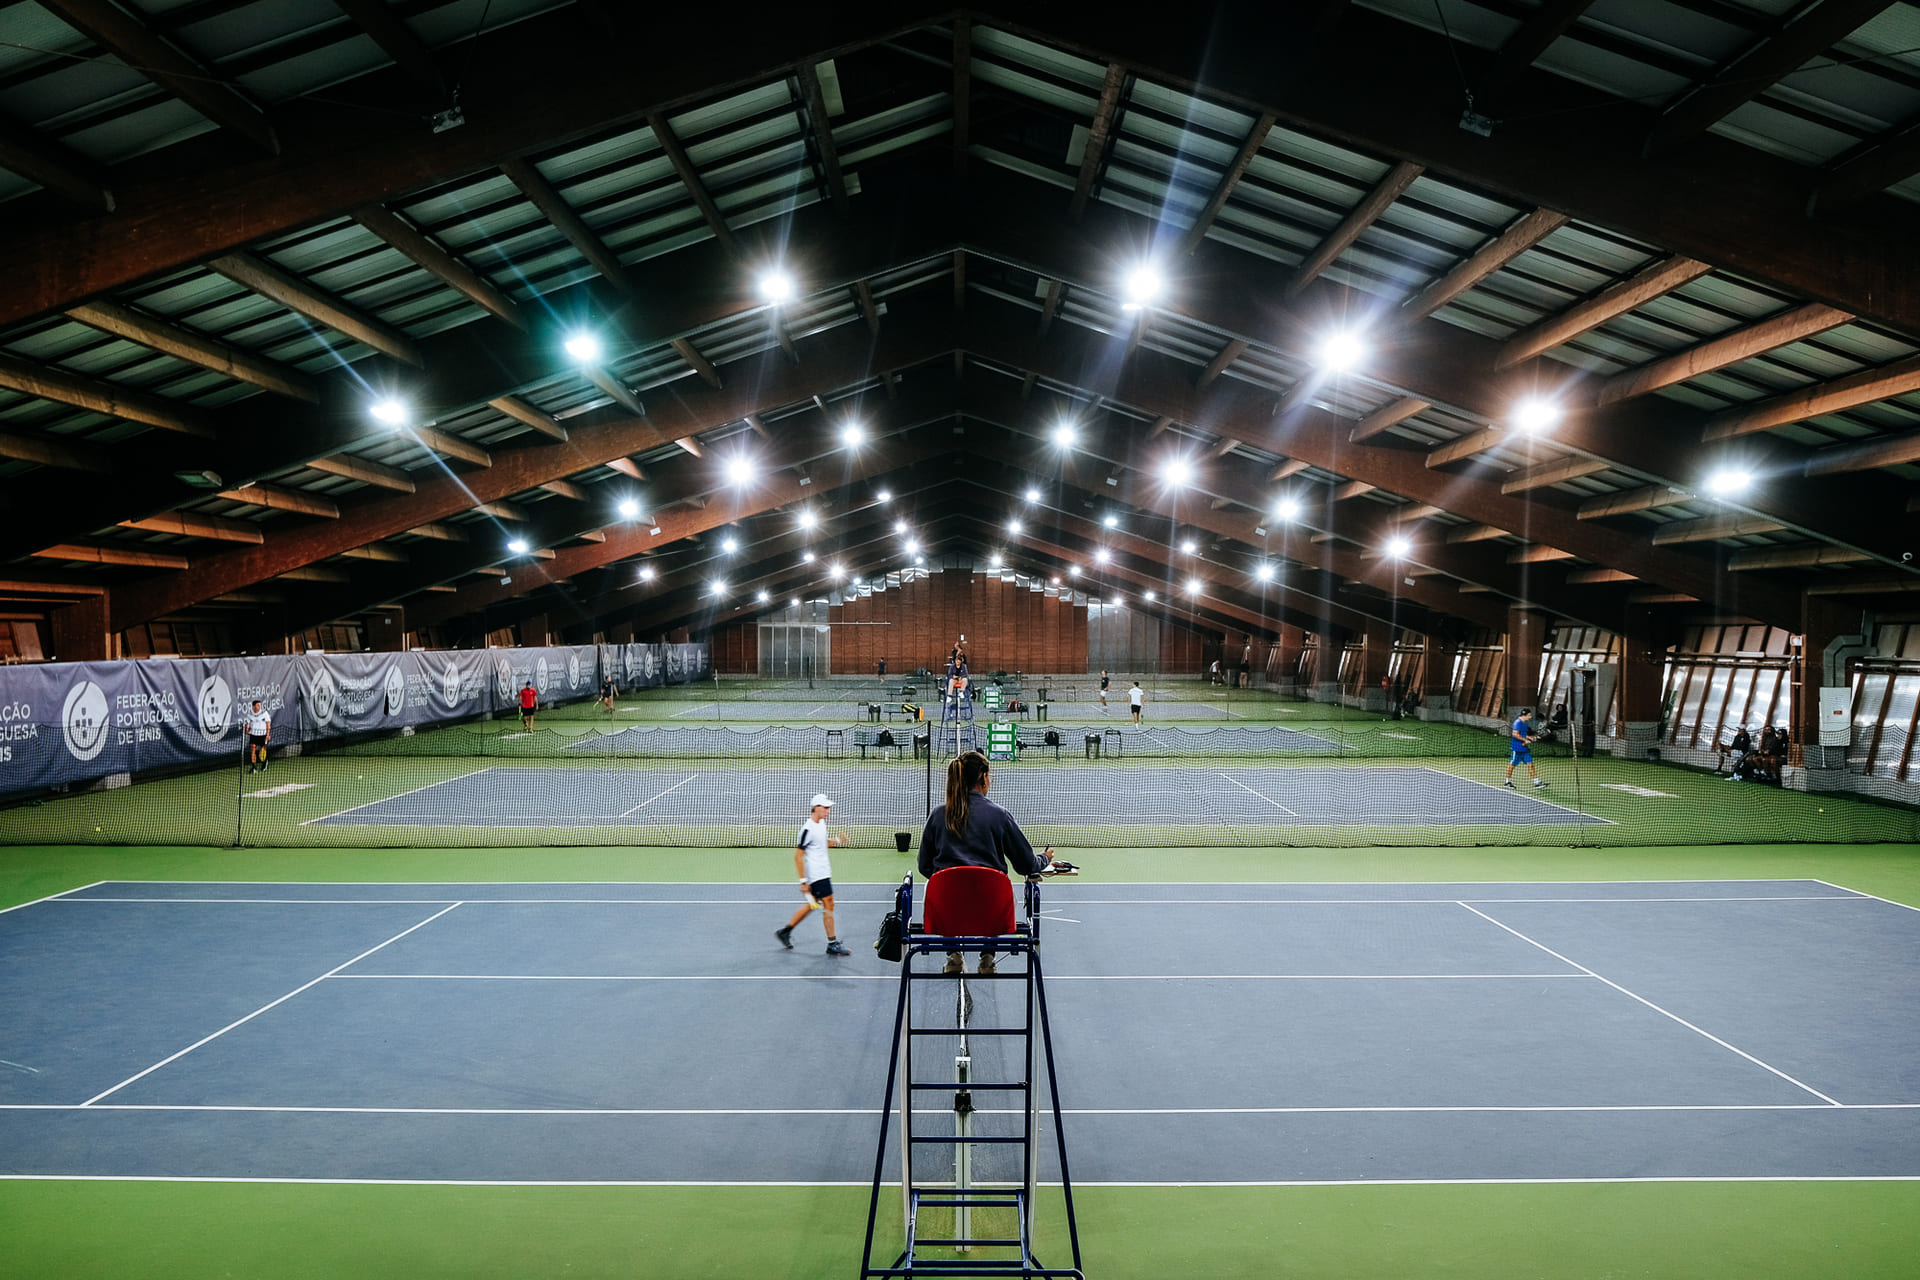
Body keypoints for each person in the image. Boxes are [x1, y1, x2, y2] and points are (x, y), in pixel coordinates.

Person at [917, 750, 1055, 974]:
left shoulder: (937, 815)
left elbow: (924, 867)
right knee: (997, 887)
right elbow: (1026, 865)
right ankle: (988, 957)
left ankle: (953, 956)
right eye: (989, 775)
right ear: (982, 777)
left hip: (946, 911)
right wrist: (1044, 859)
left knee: (936, 885)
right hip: (992, 913)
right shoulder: (999, 815)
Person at [776, 793, 851, 956]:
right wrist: (803, 881)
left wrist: (838, 840)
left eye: (828, 808)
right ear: (816, 808)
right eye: (825, 808)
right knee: (829, 904)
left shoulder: (821, 823)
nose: (828, 811)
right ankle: (832, 943)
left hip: (824, 871)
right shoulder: (807, 829)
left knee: (813, 904)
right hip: (817, 874)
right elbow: (798, 856)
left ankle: (785, 931)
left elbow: (822, 843)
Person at [1504, 707, 1547, 789]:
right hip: (1517, 749)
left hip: (1525, 750)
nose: (1530, 717)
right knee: (1512, 765)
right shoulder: (1517, 722)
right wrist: (1525, 740)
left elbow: (1523, 734)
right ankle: (1507, 782)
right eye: (1529, 715)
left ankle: (1537, 782)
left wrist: (1530, 738)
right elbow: (1515, 734)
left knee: (1530, 765)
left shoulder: (1524, 724)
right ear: (1525, 715)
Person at [244, 699, 271, 773]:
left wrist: (268, 735)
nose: (259, 707)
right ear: (253, 706)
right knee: (253, 749)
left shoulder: (264, 713)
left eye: (260, 705)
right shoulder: (249, 714)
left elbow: (268, 724)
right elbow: (247, 723)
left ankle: (264, 763)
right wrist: (246, 730)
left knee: (262, 750)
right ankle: (254, 767)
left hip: (262, 734)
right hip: (253, 734)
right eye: (258, 705)